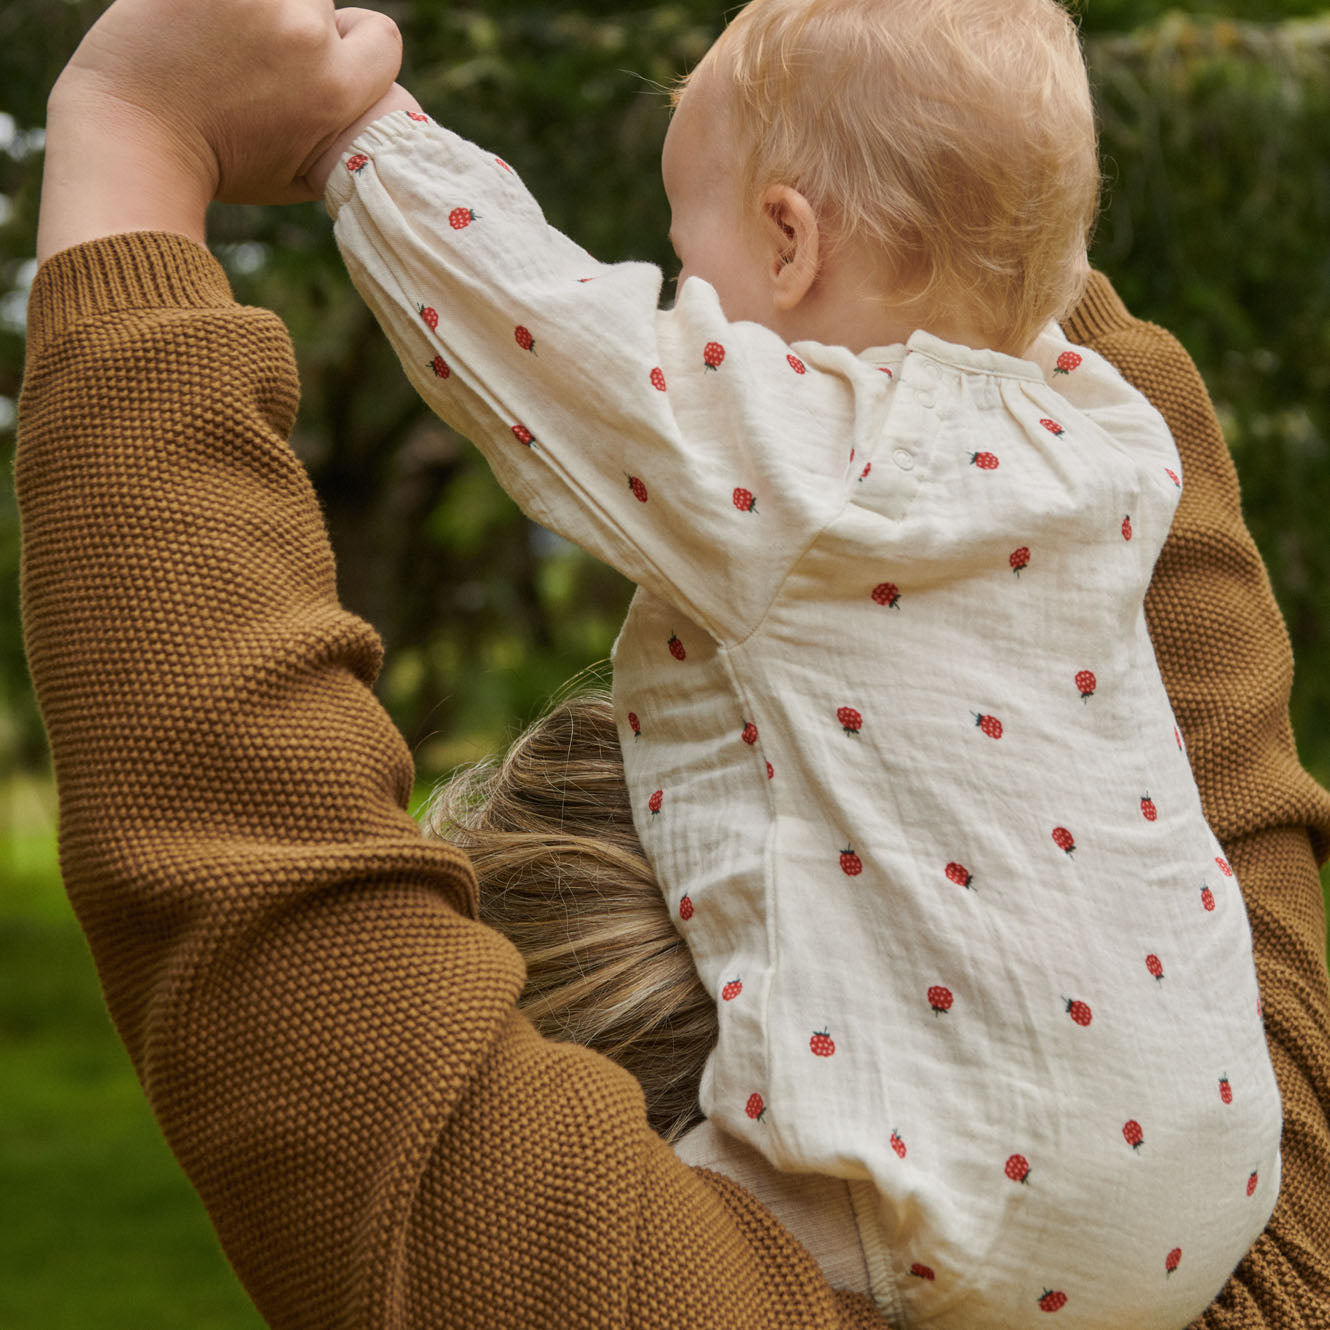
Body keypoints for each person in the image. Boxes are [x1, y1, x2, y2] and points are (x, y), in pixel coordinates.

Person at [18, 0, 1330, 1327]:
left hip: (957, 1242)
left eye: (682, 249)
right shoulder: (1103, 451)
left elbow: (550, 333)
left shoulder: (829, 475)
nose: (678, 296)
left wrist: (334, 135)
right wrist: (982, 184)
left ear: (785, 237)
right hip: (1203, 1193)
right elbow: (1234, 754)